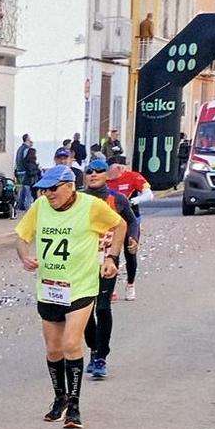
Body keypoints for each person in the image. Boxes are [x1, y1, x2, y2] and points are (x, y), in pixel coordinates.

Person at [15, 166, 124, 429]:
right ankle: (60, 397)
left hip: (81, 287)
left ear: (69, 186)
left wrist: (111, 257)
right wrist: (25, 256)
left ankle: (74, 406)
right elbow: (21, 236)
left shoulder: (91, 206)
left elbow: (119, 225)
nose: (48, 193)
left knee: (71, 343)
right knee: (53, 349)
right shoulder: (40, 207)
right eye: (44, 188)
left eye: (53, 188)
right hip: (50, 287)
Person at [81, 158, 138, 381]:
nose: (93, 174)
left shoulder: (117, 199)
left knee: (103, 308)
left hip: (107, 259)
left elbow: (131, 221)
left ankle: (101, 356)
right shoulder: (79, 199)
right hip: (82, 261)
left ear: (107, 175)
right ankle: (94, 348)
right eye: (89, 171)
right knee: (84, 310)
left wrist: (133, 239)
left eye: (98, 171)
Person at [104, 153, 148, 300]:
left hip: (130, 219)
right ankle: (111, 288)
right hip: (112, 223)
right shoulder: (104, 181)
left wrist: (133, 201)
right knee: (111, 254)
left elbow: (149, 195)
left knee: (130, 254)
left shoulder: (133, 176)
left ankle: (130, 284)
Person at [16, 135, 42, 212]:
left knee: (23, 189)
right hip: (25, 172)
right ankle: (27, 207)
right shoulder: (26, 150)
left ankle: (21, 205)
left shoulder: (20, 148)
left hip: (20, 171)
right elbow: (26, 160)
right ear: (27, 139)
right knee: (28, 190)